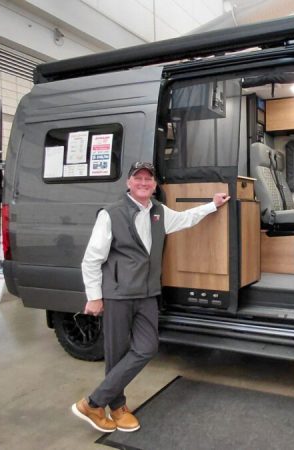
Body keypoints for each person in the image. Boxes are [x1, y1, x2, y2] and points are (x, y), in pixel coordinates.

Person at [71, 161, 229, 433]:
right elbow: (92, 259)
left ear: (155, 185)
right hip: (118, 294)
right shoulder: (111, 214)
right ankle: (117, 407)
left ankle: (93, 403)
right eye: (138, 178)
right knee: (117, 354)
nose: (143, 183)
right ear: (128, 183)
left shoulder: (159, 211)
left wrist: (212, 205)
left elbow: (186, 218)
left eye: (148, 179)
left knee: (146, 348)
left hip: (147, 293)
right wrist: (94, 296)